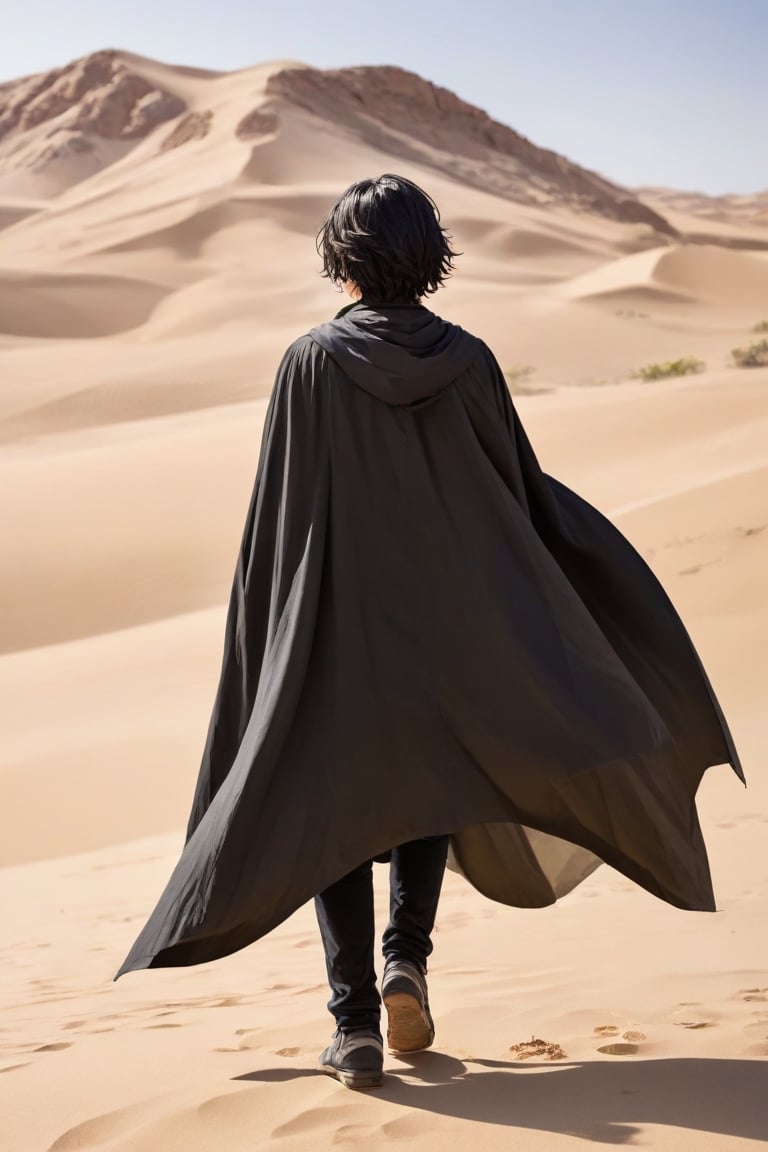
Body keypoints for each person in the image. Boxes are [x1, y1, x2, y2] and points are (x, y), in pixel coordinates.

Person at [116, 174, 743, 1093]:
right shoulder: (474, 360)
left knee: (333, 808)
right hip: (457, 630)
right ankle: (407, 961)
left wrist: (266, 632)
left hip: (341, 627)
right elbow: (519, 495)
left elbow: (280, 520)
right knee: (429, 790)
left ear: (344, 258)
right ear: (426, 254)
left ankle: (355, 1025)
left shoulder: (310, 364)